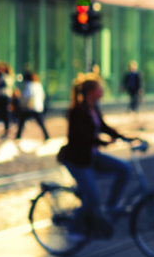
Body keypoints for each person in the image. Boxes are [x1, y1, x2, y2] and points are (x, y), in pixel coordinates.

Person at [57, 75, 132, 242]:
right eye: (100, 88)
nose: (102, 91)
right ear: (91, 91)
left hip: (92, 156)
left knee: (124, 169)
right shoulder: (77, 111)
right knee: (93, 198)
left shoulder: (94, 107)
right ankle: (74, 230)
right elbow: (82, 137)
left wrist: (125, 138)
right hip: (77, 160)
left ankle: (112, 205)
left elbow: (103, 126)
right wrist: (101, 141)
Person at [16, 72, 49, 140]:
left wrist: (22, 103)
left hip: (29, 108)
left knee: (21, 122)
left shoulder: (28, 85)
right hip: (38, 107)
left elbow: (27, 95)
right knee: (41, 123)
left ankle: (18, 137)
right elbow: (43, 96)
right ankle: (46, 136)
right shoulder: (38, 85)